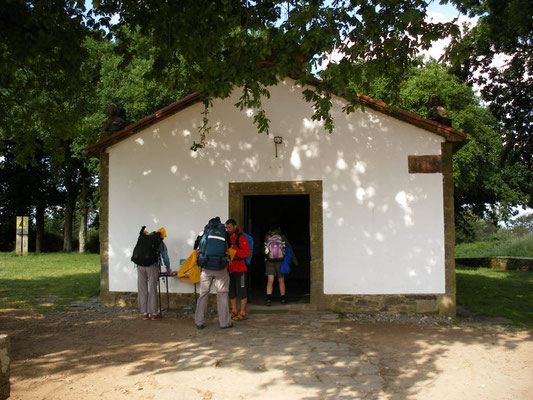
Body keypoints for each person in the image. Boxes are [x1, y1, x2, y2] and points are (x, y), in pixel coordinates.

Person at [194, 217, 233, 330]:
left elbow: (195, 247)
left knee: (203, 294)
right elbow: (228, 247)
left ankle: (199, 322)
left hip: (206, 267)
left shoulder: (203, 232)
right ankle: (224, 322)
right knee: (222, 294)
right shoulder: (224, 233)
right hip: (220, 267)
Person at [137, 227, 172, 320]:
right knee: (152, 288)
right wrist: (168, 268)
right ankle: (153, 314)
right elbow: (165, 257)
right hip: (152, 267)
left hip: (140, 266)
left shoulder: (143, 239)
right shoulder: (159, 241)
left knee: (142, 289)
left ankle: (144, 313)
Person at [225, 219, 251, 321]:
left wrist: (233, 252)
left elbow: (246, 253)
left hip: (240, 268)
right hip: (229, 268)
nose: (227, 229)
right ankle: (234, 310)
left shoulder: (242, 238)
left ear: (235, 226)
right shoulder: (226, 237)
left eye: (229, 227)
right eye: (226, 227)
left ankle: (243, 312)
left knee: (241, 290)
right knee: (231, 290)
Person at [264, 227, 297, 306]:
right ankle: (283, 298)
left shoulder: (267, 237)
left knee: (270, 280)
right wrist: (294, 260)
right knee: (281, 280)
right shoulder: (282, 237)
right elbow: (288, 248)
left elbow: (264, 249)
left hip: (269, 261)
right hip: (280, 261)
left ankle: (268, 299)